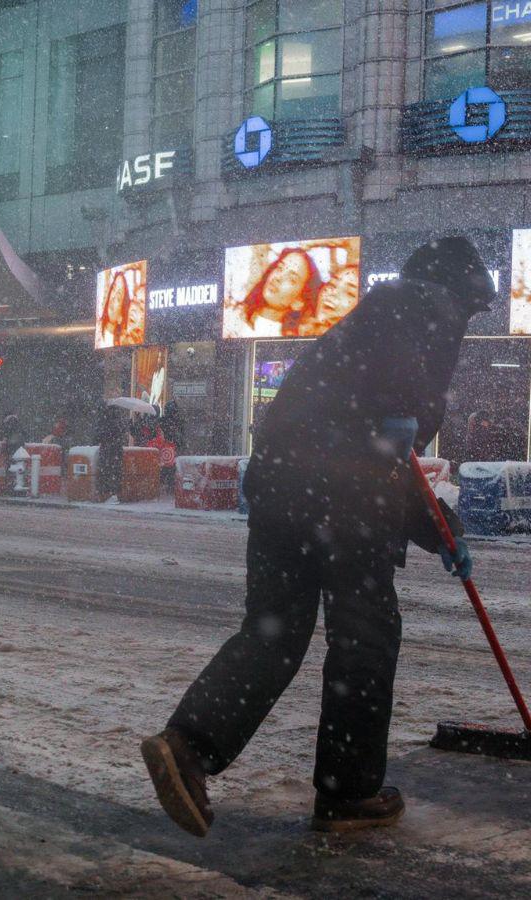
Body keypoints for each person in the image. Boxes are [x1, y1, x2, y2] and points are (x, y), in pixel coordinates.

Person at [141, 237, 493, 837]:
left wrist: (442, 533)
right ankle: (347, 794)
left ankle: (189, 746)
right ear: (460, 288)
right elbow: (386, 447)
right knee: (366, 639)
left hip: (282, 487)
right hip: (344, 503)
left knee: (274, 630)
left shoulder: (364, 326)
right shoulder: (426, 303)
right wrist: (406, 412)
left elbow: (387, 453)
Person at [233, 248, 323, 338]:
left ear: (299, 302)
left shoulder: (283, 340)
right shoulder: (234, 312)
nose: (278, 277)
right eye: (280, 268)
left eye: (292, 279)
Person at [95, 404, 126, 503]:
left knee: (105, 472)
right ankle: (115, 494)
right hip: (117, 450)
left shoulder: (104, 422)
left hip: (107, 450)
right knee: (116, 473)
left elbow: (98, 436)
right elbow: (122, 434)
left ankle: (106, 494)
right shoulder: (120, 422)